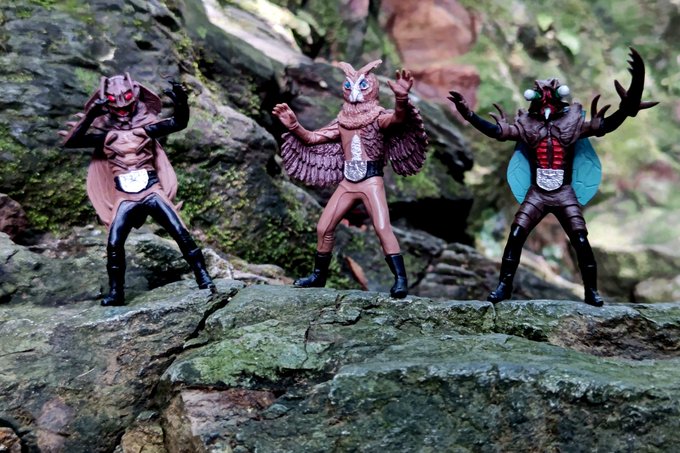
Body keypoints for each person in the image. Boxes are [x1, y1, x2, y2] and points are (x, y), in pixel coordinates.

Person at [448, 48, 657, 306]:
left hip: (563, 192)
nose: (546, 102)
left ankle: (591, 291)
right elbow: (496, 132)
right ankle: (504, 287)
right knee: (516, 235)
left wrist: (625, 109)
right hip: (537, 192)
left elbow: (606, 125)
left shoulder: (573, 123)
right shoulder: (527, 125)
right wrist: (468, 114)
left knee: (580, 240)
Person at [272, 60, 428, 298]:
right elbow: (313, 139)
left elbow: (397, 119)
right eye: (350, 85)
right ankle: (318, 276)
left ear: (372, 88)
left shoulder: (377, 116)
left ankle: (400, 280)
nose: (355, 91)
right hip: (347, 182)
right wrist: (294, 126)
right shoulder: (342, 119)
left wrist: (401, 98)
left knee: (382, 227)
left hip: (370, 181)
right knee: (324, 227)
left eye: (362, 85)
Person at [61, 73, 215, 306]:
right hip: (124, 195)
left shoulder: (146, 130)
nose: (122, 106)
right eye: (114, 101)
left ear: (135, 97)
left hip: (151, 190)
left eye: (126, 98)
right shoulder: (106, 137)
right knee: (114, 243)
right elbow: (71, 142)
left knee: (179, 231)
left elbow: (178, 123)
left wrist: (181, 103)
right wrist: (91, 114)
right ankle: (116, 292)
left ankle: (203, 277)